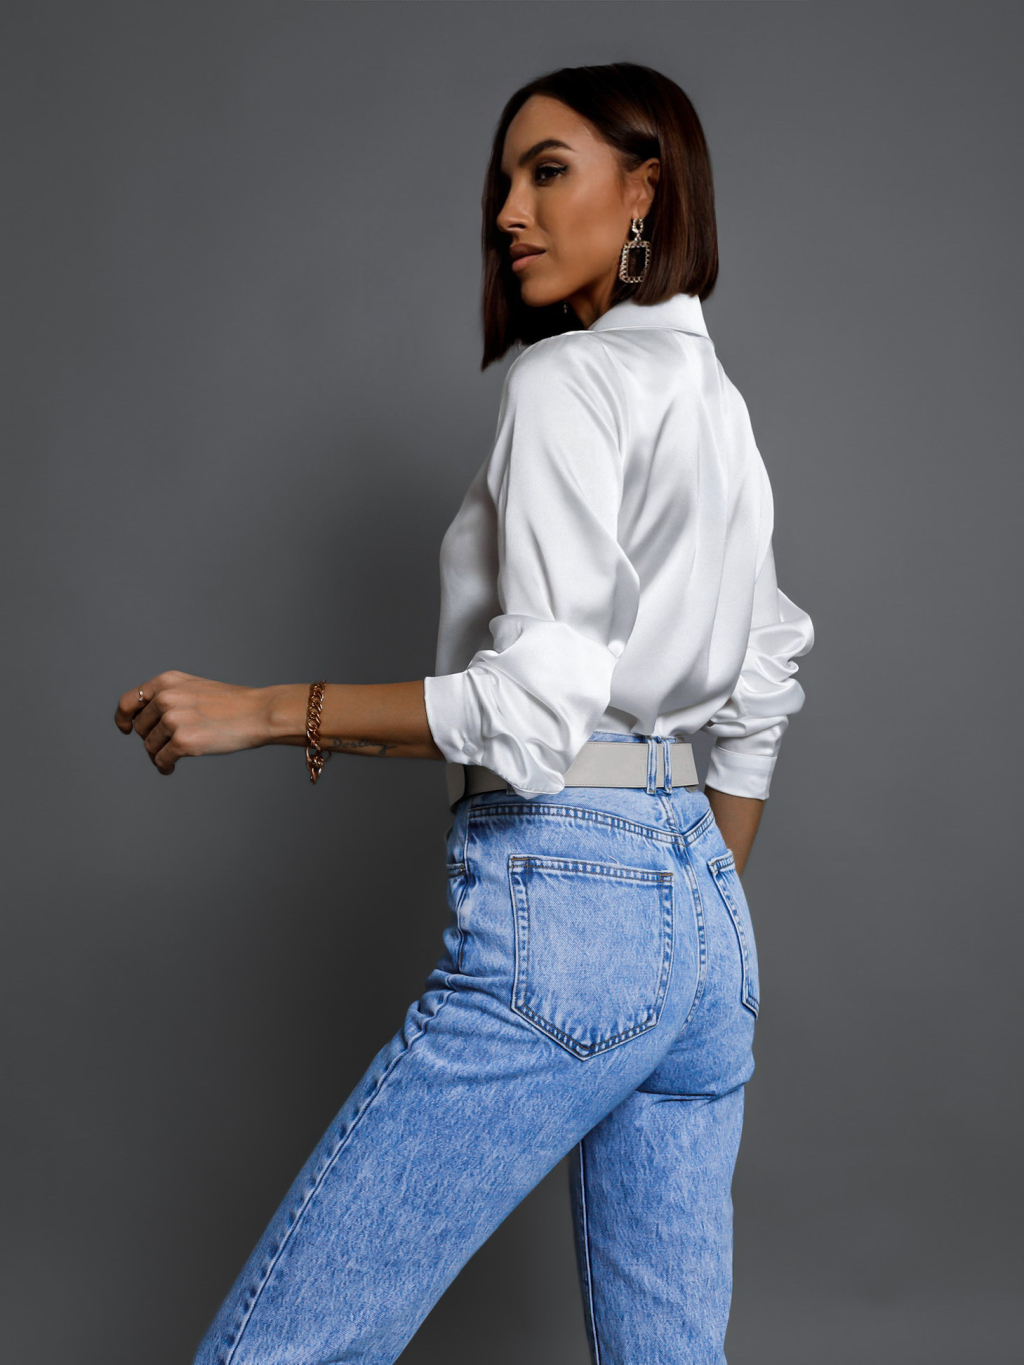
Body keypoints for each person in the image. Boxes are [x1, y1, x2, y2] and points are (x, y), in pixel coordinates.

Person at [114, 60, 814, 1365]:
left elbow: (536, 711)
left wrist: (265, 711)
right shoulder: (717, 405)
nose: (508, 212)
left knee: (285, 1350)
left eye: (548, 171)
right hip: (707, 935)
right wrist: (687, 898)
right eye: (504, 182)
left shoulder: (568, 383)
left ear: (645, 189)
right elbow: (764, 675)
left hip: (577, 907)